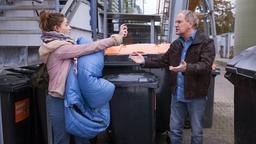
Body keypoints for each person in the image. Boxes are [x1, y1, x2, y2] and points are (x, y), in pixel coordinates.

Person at [38, 10, 127, 144]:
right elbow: (90, 47)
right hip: (59, 100)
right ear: (57, 28)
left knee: (82, 136)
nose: (70, 27)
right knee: (62, 140)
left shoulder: (64, 45)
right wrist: (116, 38)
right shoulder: (60, 49)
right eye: (66, 25)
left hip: (74, 98)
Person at [129, 10, 215, 144]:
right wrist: (144, 61)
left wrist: (187, 68)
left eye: (179, 22)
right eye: (176, 22)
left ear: (190, 23)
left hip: (196, 95)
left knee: (197, 132)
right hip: (177, 94)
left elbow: (206, 66)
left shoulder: (206, 42)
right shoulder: (176, 44)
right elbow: (163, 61)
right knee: (174, 130)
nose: (176, 25)